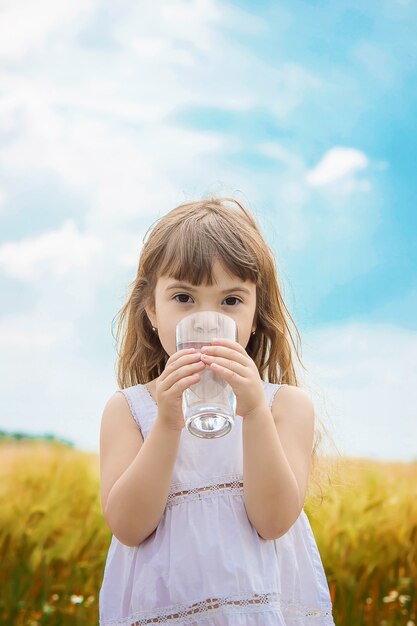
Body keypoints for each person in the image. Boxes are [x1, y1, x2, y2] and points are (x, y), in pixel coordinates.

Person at [99, 197, 336, 625]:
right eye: (184, 297)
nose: (207, 320)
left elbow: (273, 521)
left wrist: (255, 416)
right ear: (152, 309)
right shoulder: (128, 411)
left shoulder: (285, 407)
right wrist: (168, 423)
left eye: (230, 301)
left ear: (254, 314)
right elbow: (129, 526)